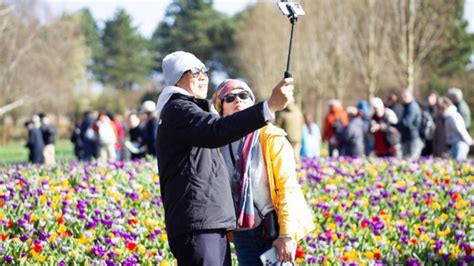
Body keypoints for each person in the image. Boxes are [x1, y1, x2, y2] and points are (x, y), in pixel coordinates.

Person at [154, 51, 294, 265]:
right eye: (194, 71)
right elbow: (215, 131)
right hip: (200, 225)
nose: (202, 76)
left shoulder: (186, 110)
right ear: (177, 77)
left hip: (211, 224)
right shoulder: (179, 109)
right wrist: (269, 107)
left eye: (205, 71)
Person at [212, 79, 314, 265]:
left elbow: (287, 187)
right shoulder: (217, 145)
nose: (238, 100)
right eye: (230, 98)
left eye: (244, 96)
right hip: (241, 231)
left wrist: (286, 234)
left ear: (252, 102)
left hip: (273, 227)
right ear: (221, 108)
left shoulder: (271, 138)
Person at [396, 89, 424, 159]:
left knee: (411, 160)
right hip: (407, 138)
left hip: (412, 138)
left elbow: (407, 122)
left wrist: (394, 125)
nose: (401, 99)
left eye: (402, 97)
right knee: (407, 160)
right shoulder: (407, 106)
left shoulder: (412, 107)